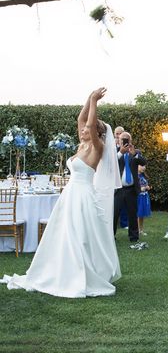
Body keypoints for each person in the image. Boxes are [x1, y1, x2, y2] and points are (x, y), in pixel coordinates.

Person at [2, 88, 122, 297]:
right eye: (84, 128)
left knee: (80, 235)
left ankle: (82, 271)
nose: (83, 128)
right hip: (69, 195)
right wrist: (88, 97)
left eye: (88, 128)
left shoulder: (97, 147)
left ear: (97, 133)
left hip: (83, 196)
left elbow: (90, 123)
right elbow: (81, 117)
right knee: (64, 233)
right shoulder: (81, 145)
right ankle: (61, 269)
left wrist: (95, 101)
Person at [114, 131, 146, 244]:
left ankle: (134, 237)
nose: (125, 141)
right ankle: (111, 236)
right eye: (123, 139)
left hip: (131, 188)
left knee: (132, 213)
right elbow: (110, 164)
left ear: (131, 140)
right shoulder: (114, 152)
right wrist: (120, 153)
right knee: (114, 213)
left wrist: (134, 154)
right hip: (118, 188)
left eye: (127, 139)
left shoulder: (135, 152)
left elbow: (143, 162)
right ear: (118, 140)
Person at [113, 126, 128, 230]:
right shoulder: (111, 145)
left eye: (120, 134)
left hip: (124, 177)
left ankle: (124, 222)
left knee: (124, 202)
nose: (118, 136)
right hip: (113, 177)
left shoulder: (128, 146)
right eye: (116, 134)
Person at [137, 164, 152, 237]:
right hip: (138, 197)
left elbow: (145, 184)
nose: (144, 167)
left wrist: (147, 187)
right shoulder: (134, 176)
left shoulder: (143, 176)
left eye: (144, 166)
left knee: (141, 215)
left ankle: (141, 230)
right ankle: (136, 230)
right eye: (141, 166)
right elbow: (133, 187)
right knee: (138, 214)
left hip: (144, 196)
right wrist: (140, 189)